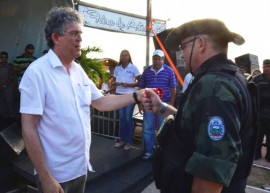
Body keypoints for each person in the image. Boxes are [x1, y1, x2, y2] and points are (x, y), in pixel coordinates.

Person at [20, 7, 144, 193]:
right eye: (74, 34)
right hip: (56, 176)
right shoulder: (37, 73)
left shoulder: (78, 70)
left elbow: (101, 102)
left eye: (80, 34)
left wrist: (137, 94)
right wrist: (46, 179)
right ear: (56, 37)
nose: (80, 39)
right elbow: (28, 128)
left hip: (80, 169)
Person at [139, 18, 256, 193]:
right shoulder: (228, 76)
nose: (182, 55)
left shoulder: (214, 86)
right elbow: (196, 125)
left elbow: (211, 172)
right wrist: (161, 107)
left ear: (200, 43)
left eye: (183, 47)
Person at [139, 49, 176, 160]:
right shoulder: (146, 71)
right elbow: (141, 87)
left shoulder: (169, 71)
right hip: (148, 104)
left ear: (163, 60)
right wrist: (141, 103)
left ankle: (161, 153)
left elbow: (173, 89)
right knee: (148, 129)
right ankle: (149, 152)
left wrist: (171, 106)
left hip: (163, 105)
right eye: (155, 58)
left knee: (163, 129)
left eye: (159, 59)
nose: (156, 61)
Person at [112, 50, 141, 150]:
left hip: (129, 96)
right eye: (122, 55)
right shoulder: (117, 68)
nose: (124, 57)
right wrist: (115, 84)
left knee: (128, 119)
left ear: (129, 56)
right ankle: (122, 140)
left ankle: (129, 141)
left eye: (126, 55)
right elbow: (114, 81)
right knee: (122, 119)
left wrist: (128, 85)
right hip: (119, 95)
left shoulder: (133, 67)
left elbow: (140, 81)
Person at [251, 59, 270, 161]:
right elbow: (249, 89)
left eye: (269, 66)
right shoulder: (257, 79)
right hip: (259, 113)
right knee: (258, 135)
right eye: (265, 66)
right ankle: (256, 154)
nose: (267, 68)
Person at [0, 51, 17, 127]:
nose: (3, 59)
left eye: (5, 57)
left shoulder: (10, 66)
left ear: (7, 58)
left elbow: (12, 77)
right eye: (2, 57)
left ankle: (11, 123)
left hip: (8, 88)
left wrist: (4, 85)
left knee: (9, 103)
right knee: (1, 104)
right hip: (0, 88)